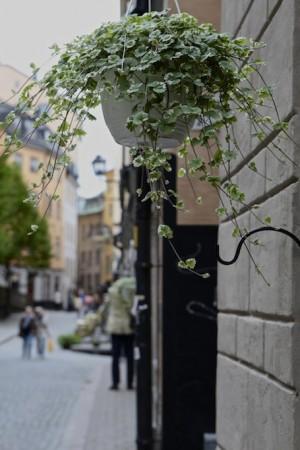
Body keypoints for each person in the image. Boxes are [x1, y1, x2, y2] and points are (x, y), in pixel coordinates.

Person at [105, 277, 136, 391]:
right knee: (130, 357)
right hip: (128, 327)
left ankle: (115, 383)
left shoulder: (111, 292)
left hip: (115, 327)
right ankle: (130, 383)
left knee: (115, 357)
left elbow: (107, 307)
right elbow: (132, 308)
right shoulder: (130, 292)